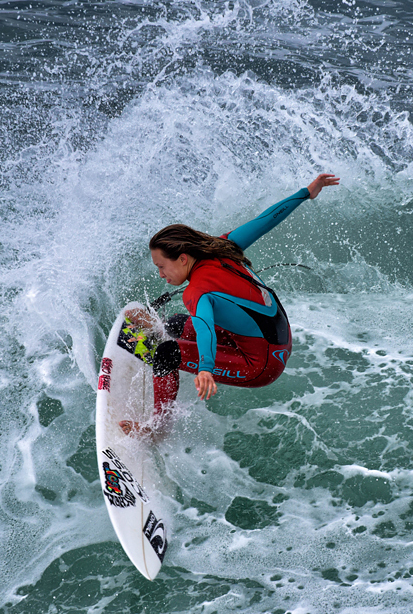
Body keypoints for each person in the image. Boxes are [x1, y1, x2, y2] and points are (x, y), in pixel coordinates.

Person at [119, 173, 340, 436]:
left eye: (161, 266)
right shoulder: (224, 246)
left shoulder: (198, 291)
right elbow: (266, 220)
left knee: (167, 352)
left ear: (182, 258)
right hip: (274, 341)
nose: (160, 274)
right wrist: (306, 192)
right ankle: (160, 331)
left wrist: (206, 369)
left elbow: (205, 330)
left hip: (262, 364)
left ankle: (155, 429)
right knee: (178, 323)